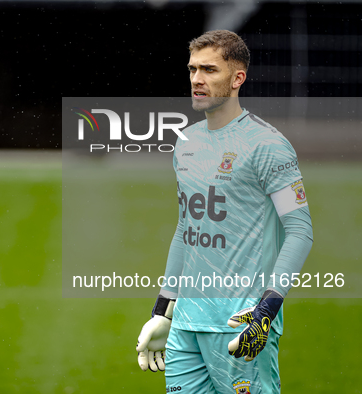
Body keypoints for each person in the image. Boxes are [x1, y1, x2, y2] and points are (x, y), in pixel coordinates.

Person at [135, 30, 314, 394]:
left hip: (240, 323)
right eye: (192, 70)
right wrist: (163, 309)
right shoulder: (186, 143)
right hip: (186, 323)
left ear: (237, 78)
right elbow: (188, 228)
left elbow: (299, 231)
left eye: (209, 70)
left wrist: (266, 312)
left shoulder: (267, 145)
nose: (197, 80)